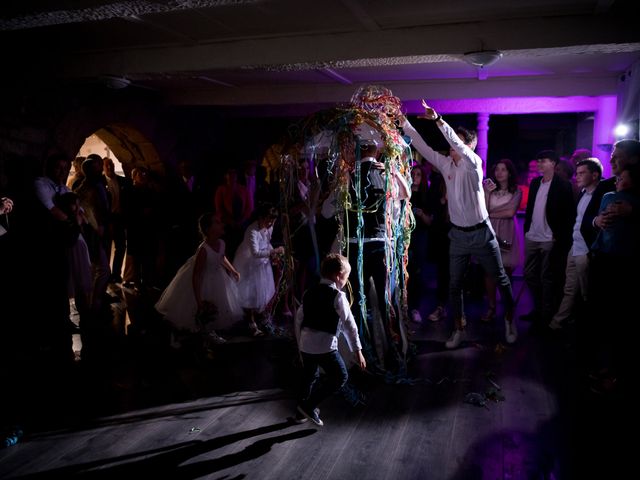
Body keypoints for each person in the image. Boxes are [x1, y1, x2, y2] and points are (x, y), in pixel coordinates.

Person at [402, 100, 516, 348]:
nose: (452, 147)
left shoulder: (474, 163)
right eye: (452, 145)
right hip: (458, 236)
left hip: (482, 233)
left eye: (459, 143)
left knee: (501, 280)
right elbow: (422, 145)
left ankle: (509, 319)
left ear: (469, 146)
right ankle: (459, 328)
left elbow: (455, 142)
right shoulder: (445, 164)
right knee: (454, 285)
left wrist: (438, 120)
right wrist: (404, 124)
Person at [294, 253, 367, 426]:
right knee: (340, 376)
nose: (345, 282)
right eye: (346, 278)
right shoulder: (338, 296)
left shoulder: (308, 292)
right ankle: (308, 405)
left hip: (306, 345)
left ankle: (301, 413)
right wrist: (358, 352)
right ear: (338, 276)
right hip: (325, 347)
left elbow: (298, 319)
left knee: (309, 377)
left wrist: (300, 344)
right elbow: (350, 325)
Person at [155, 212, 242, 345]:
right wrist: (198, 299)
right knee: (197, 311)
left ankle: (209, 332)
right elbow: (197, 275)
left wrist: (233, 270)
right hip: (204, 280)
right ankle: (195, 335)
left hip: (218, 278)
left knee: (217, 307)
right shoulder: (203, 250)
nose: (222, 224)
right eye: (217, 222)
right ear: (208, 229)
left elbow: (221, 257)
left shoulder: (221, 243)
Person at [521, 150, 575, 331]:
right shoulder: (536, 182)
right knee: (529, 275)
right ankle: (539, 309)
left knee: (547, 277)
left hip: (549, 238)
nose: (539, 164)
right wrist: (528, 229)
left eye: (543, 161)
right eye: (538, 161)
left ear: (553, 163)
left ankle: (546, 313)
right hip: (533, 236)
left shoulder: (563, 185)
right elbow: (530, 208)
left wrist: (558, 235)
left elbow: (568, 215)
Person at [481, 159, 522, 322]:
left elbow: (510, 212)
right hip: (489, 232)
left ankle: (508, 308)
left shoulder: (516, 191)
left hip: (506, 231)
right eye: (497, 169)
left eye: (503, 169)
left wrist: (489, 214)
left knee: (506, 272)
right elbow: (482, 209)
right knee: (488, 272)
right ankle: (491, 307)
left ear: (510, 173)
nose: (499, 172)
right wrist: (487, 193)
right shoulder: (489, 189)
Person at [233, 204, 284, 336]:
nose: (270, 223)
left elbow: (267, 243)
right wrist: (274, 251)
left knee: (262, 292)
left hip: (262, 263)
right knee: (250, 293)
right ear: (261, 218)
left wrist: (274, 255)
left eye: (273, 221)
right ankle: (251, 323)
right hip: (249, 263)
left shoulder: (269, 227)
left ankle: (262, 319)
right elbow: (255, 252)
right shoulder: (252, 231)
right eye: (268, 220)